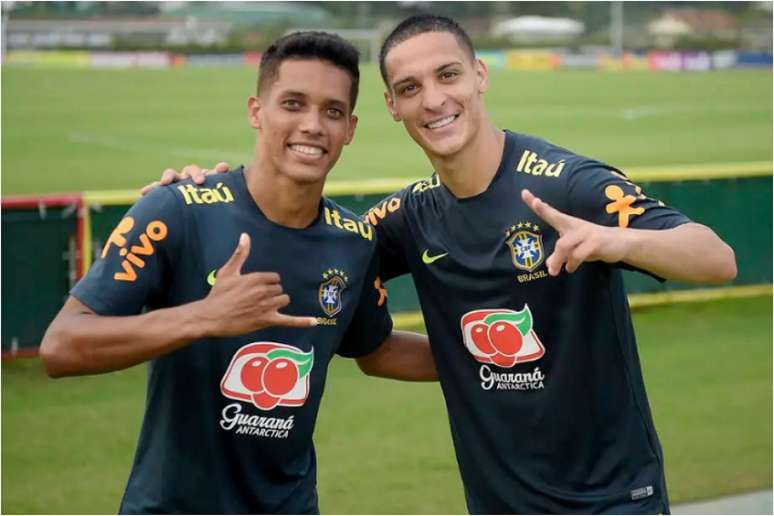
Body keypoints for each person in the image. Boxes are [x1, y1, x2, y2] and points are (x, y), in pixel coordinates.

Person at [155, 15, 737, 514]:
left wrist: (615, 241)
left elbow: (715, 257)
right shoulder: (409, 217)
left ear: (479, 76)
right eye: (410, 87)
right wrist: (202, 197)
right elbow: (318, 247)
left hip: (612, 500)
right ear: (391, 106)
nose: (433, 100)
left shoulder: (568, 185)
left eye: (448, 75)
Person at [40, 31, 437, 514]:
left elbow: (377, 351)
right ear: (256, 111)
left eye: (332, 111)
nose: (312, 125)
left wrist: (520, 357)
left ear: (350, 128)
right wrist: (205, 317)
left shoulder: (354, 242)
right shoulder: (177, 209)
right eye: (293, 103)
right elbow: (62, 346)